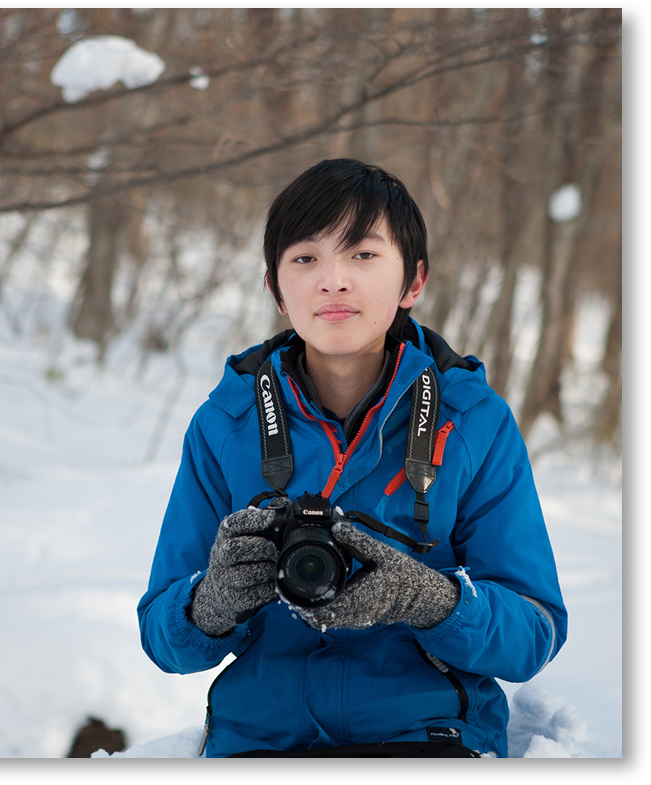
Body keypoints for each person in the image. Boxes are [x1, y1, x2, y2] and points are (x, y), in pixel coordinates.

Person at [137, 158, 567, 758]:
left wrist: (432, 601)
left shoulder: (471, 423)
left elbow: (534, 632)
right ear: (275, 289)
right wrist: (208, 604)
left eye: (363, 254)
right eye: (305, 258)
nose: (333, 280)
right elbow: (161, 633)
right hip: (260, 743)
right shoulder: (226, 424)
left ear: (413, 282)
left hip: (424, 737)